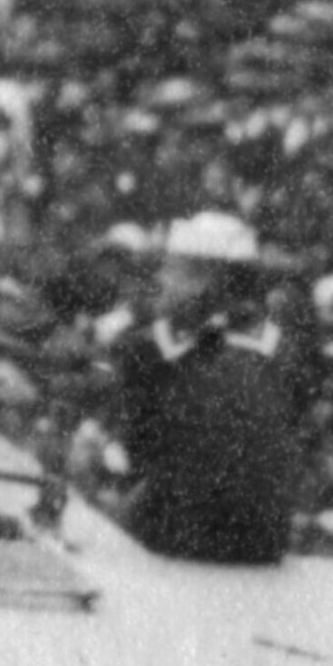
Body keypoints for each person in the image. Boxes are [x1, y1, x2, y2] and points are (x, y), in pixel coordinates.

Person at [105, 206, 308, 568]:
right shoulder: (284, 348)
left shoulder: (149, 348)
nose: (163, 279)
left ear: (205, 277)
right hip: (267, 538)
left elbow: (139, 450)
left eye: (173, 268)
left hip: (181, 529)